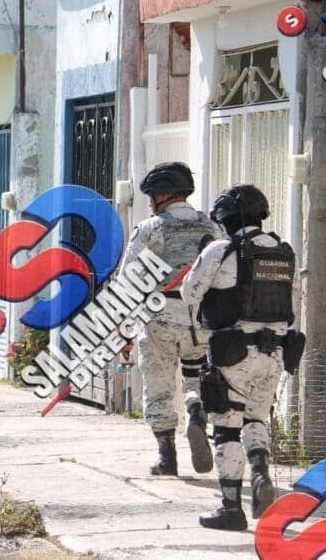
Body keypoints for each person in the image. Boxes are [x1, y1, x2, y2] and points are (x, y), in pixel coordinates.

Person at [181, 184, 299, 531]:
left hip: (234, 352)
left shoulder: (221, 249)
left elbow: (190, 293)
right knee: (256, 419)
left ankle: (231, 509)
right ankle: (260, 471)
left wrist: (204, 259)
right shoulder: (283, 251)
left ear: (227, 217)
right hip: (276, 352)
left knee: (226, 428)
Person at [122, 162, 217, 476]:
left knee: (159, 385)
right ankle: (196, 412)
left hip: (160, 317)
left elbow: (129, 280)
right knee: (197, 377)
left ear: (164, 194)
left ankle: (167, 457)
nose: (150, 202)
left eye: (152, 195)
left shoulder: (151, 228)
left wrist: (124, 327)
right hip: (202, 319)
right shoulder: (212, 227)